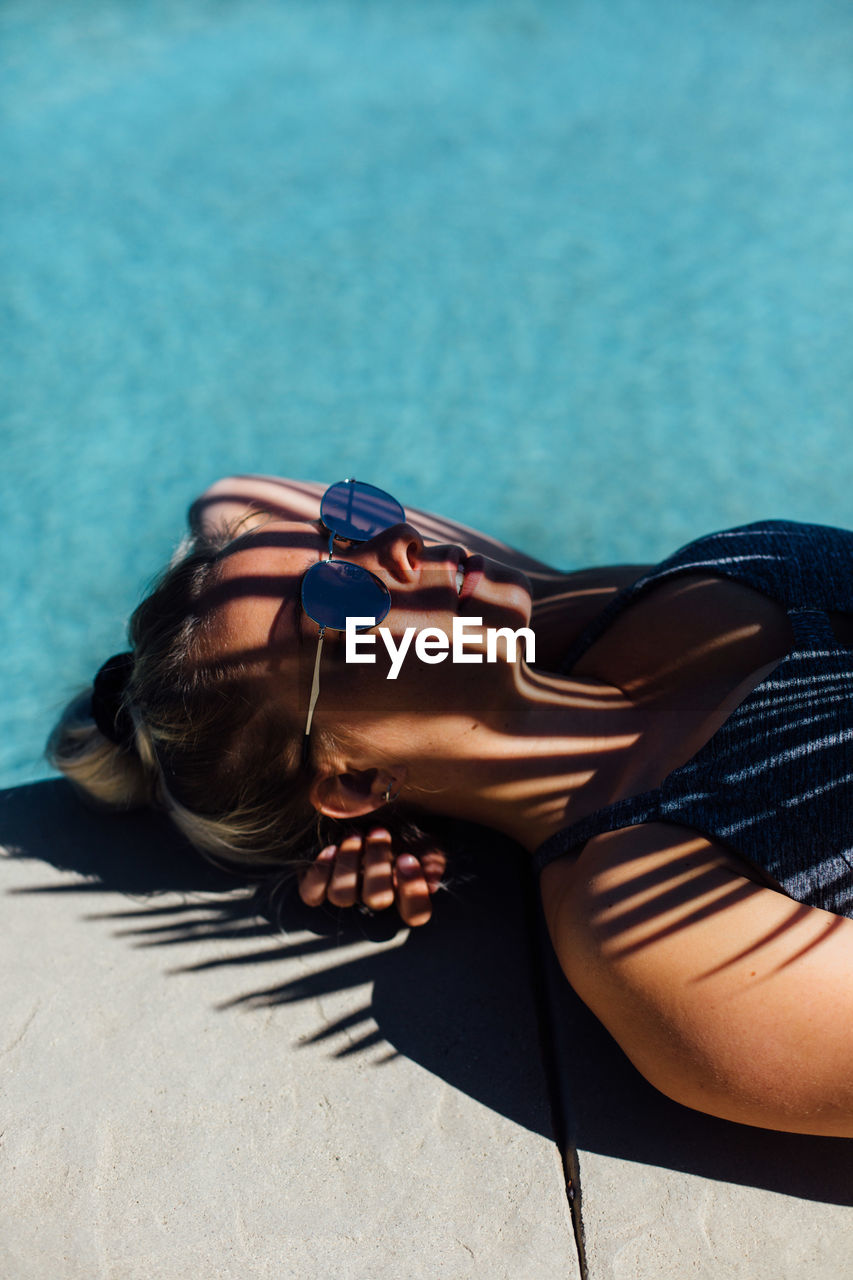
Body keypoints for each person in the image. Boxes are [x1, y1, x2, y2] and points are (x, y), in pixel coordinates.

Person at [49, 474, 853, 1139]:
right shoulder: (662, 929)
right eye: (335, 598)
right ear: (352, 779)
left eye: (348, 526)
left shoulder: (585, 609)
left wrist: (400, 810)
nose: (399, 548)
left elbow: (227, 499)